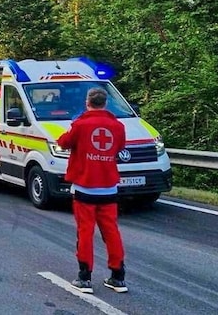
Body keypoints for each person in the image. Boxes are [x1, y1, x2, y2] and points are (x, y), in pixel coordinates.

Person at [57, 87, 128, 294]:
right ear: (105, 103)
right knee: (111, 231)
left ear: (87, 102)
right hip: (109, 187)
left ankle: (84, 277)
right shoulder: (118, 126)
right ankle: (118, 276)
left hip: (85, 187)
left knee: (85, 232)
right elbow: (119, 148)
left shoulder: (80, 124)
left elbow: (63, 143)